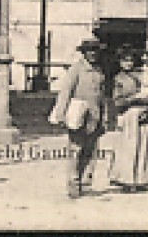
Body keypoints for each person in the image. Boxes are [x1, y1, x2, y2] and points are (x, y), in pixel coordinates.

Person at [47, 38, 112, 199]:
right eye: (89, 50)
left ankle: (86, 182)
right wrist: (60, 113)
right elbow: (65, 92)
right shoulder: (75, 69)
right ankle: (74, 184)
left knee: (91, 151)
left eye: (95, 50)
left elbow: (102, 97)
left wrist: (104, 118)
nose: (92, 54)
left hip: (94, 117)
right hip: (77, 116)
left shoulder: (99, 72)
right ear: (83, 53)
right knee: (76, 150)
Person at [110, 46, 148, 191]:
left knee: (144, 148)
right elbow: (117, 101)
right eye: (124, 61)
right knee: (129, 148)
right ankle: (126, 180)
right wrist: (134, 99)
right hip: (129, 115)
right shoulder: (119, 79)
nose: (127, 64)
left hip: (145, 114)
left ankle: (142, 179)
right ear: (120, 62)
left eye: (130, 61)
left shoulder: (142, 74)